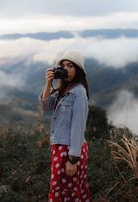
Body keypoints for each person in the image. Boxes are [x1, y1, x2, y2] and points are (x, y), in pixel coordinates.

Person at [39, 50, 92, 202]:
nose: (66, 69)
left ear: (79, 70)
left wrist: (73, 160)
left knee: (69, 190)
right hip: (60, 148)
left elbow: (78, 126)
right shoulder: (64, 90)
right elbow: (46, 106)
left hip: (70, 150)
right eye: (63, 66)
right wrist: (49, 83)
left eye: (70, 66)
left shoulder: (79, 93)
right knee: (61, 189)